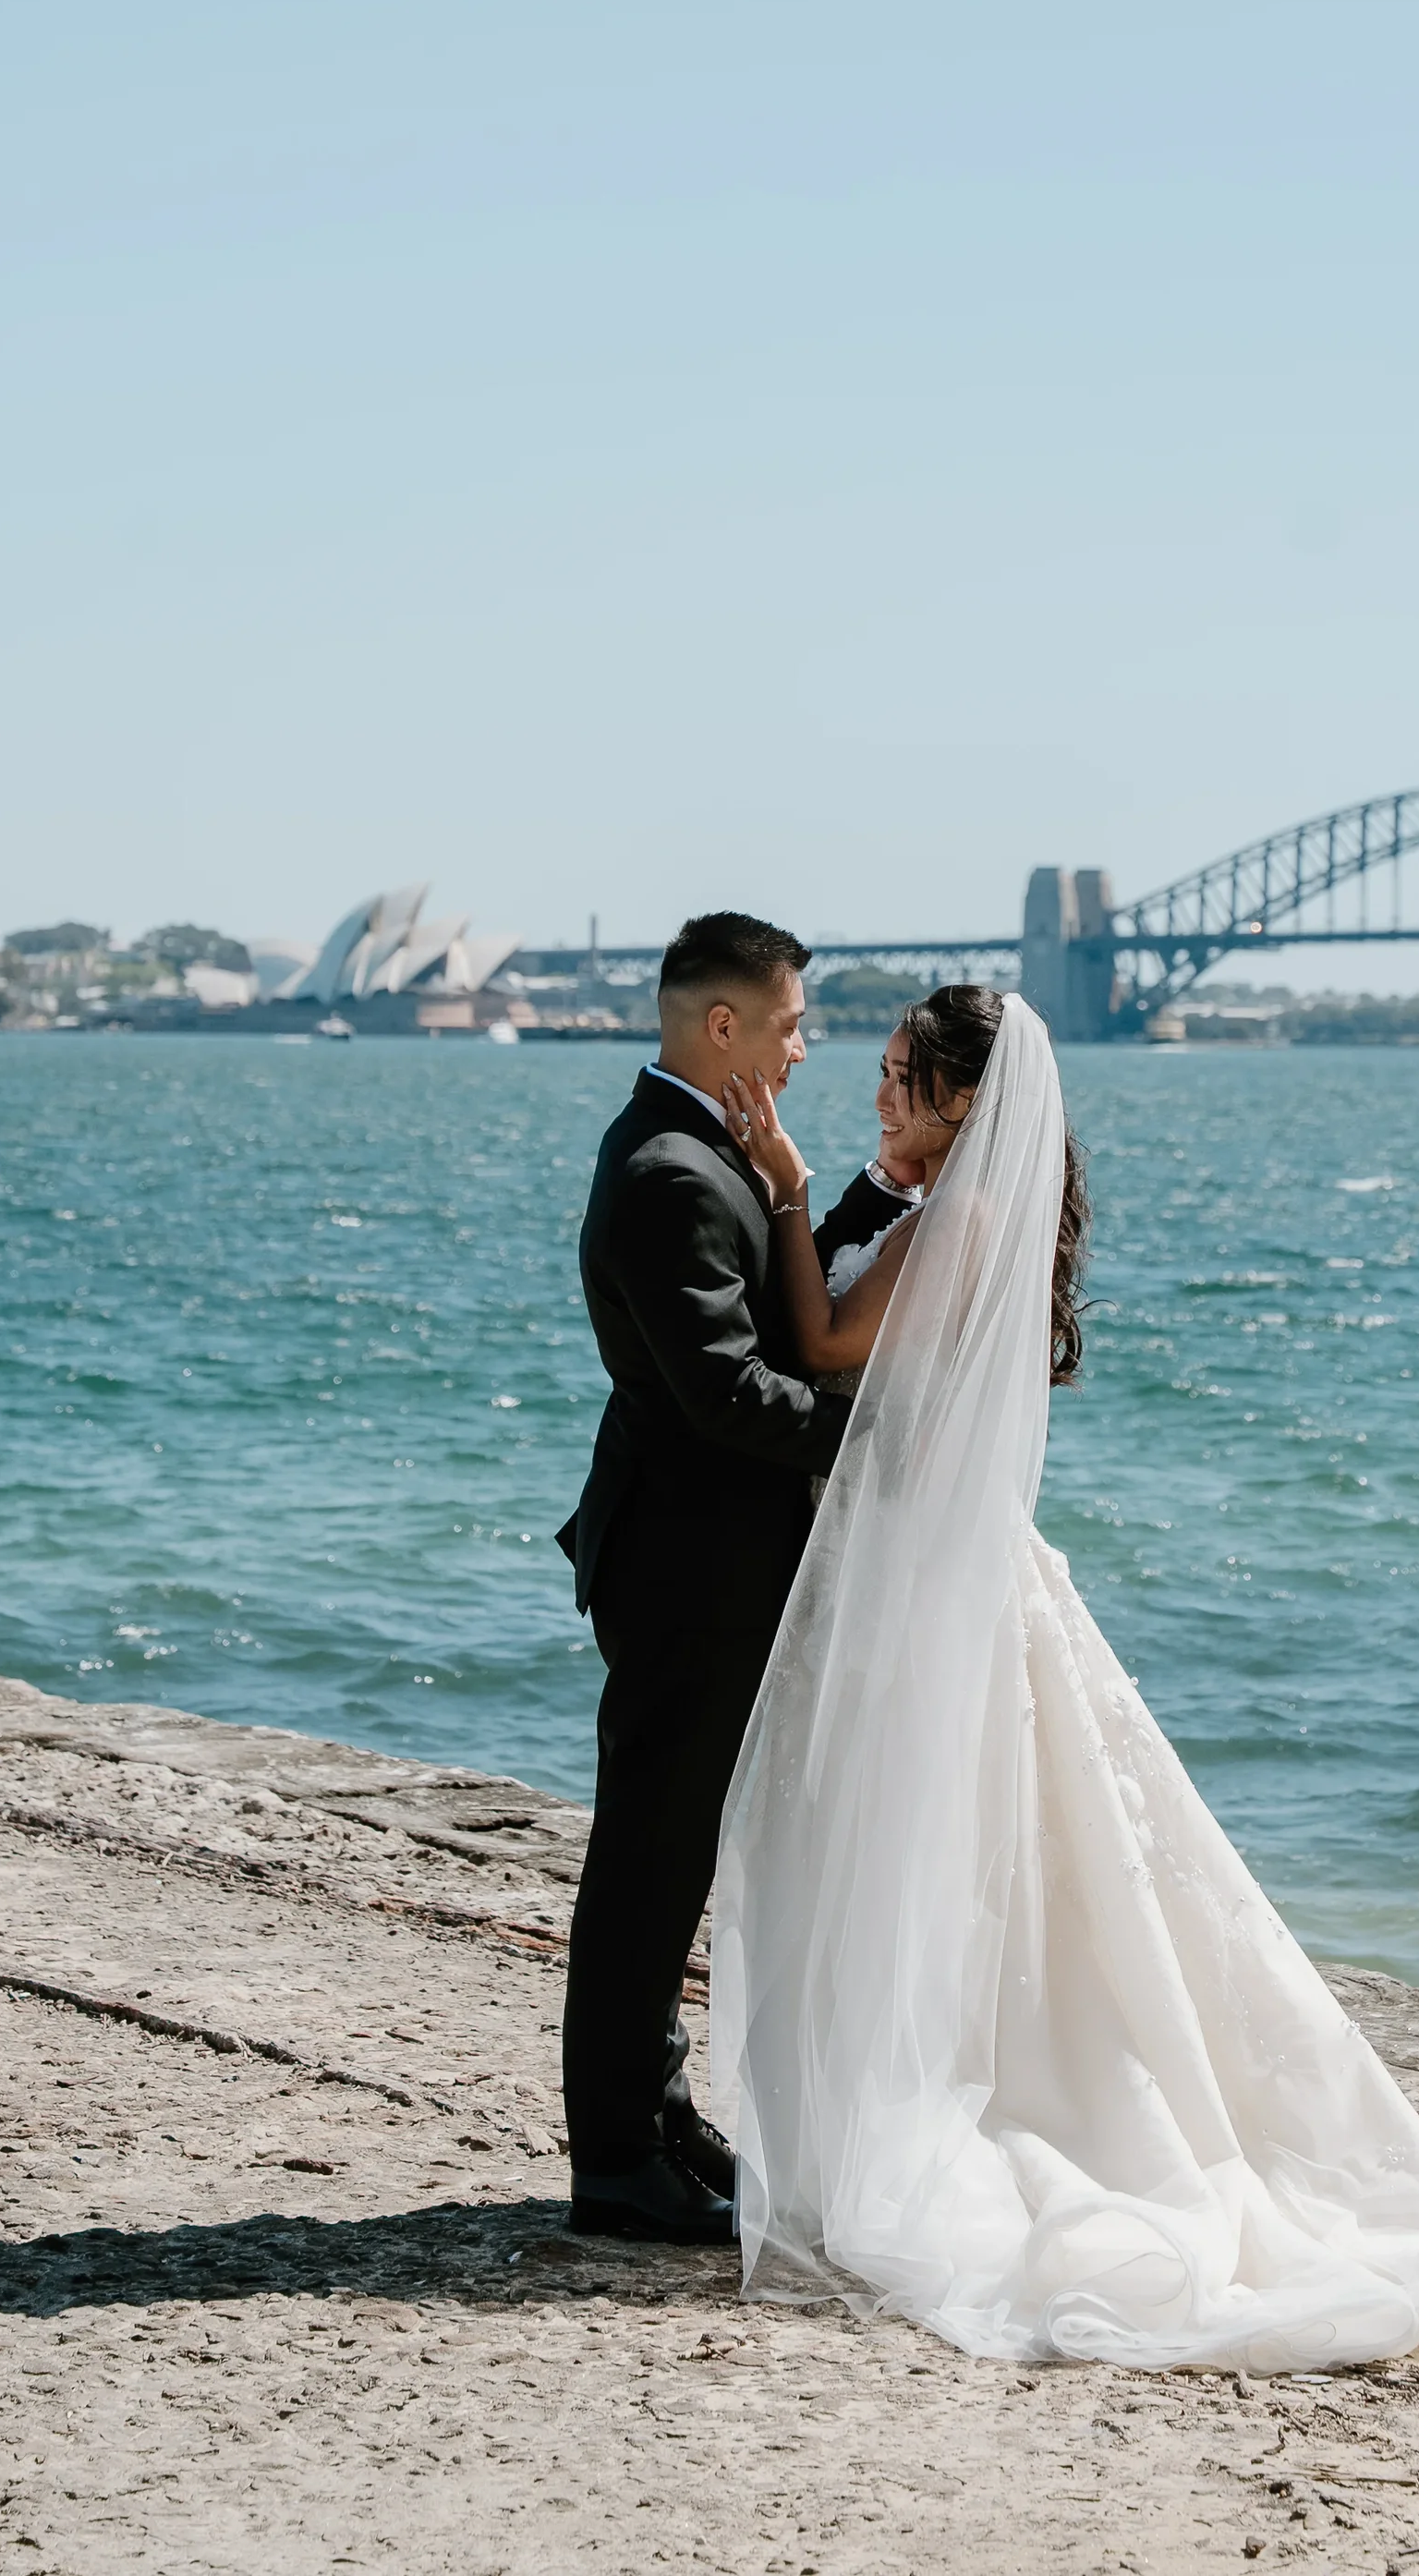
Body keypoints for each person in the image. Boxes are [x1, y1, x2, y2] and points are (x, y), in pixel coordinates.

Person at [710, 987, 1419, 2369]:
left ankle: (941, 2109)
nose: (878, 1094)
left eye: (901, 1077)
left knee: (955, 1845)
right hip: (938, 1565)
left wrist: (780, 1192)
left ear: (962, 1098)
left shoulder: (963, 1218)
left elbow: (831, 1347)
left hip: (933, 1577)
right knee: (976, 1850)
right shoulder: (955, 1209)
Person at [557, 910, 918, 2244]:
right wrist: (883, 1444)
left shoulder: (709, 1150)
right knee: (647, 1861)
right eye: (789, 1023)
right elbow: (726, 1389)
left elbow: (777, 1310)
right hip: (682, 1566)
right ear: (724, 1027)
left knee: (678, 1850)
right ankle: (615, 2162)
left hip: (704, 1556)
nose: (803, 1045)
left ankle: (655, 2118)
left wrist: (815, 1189)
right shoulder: (664, 1170)